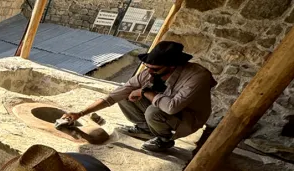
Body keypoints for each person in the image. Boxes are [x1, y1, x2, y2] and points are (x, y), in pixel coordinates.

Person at [63, 41, 216, 152]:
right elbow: (113, 96)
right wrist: (80, 113)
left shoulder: (197, 76)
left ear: (172, 66)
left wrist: (144, 92)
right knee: (126, 95)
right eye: (147, 67)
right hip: (163, 106)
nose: (149, 72)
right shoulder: (151, 71)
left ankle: (164, 140)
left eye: (154, 69)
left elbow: (172, 107)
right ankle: (146, 129)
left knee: (153, 112)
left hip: (188, 117)